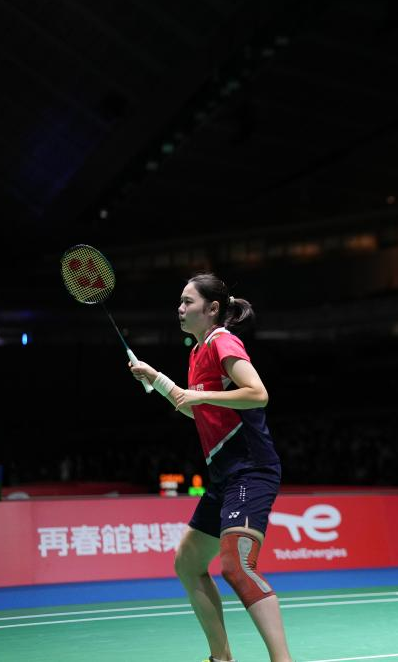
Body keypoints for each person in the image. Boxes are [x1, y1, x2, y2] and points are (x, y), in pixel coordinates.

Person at [130, 273, 292, 662]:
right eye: (180, 301)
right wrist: (156, 378)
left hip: (251, 468)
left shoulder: (223, 341)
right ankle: (221, 658)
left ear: (212, 308)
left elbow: (257, 394)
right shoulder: (197, 352)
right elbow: (195, 407)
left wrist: (195, 396)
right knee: (188, 563)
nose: (180, 308)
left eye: (188, 302)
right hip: (223, 474)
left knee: (237, 566)